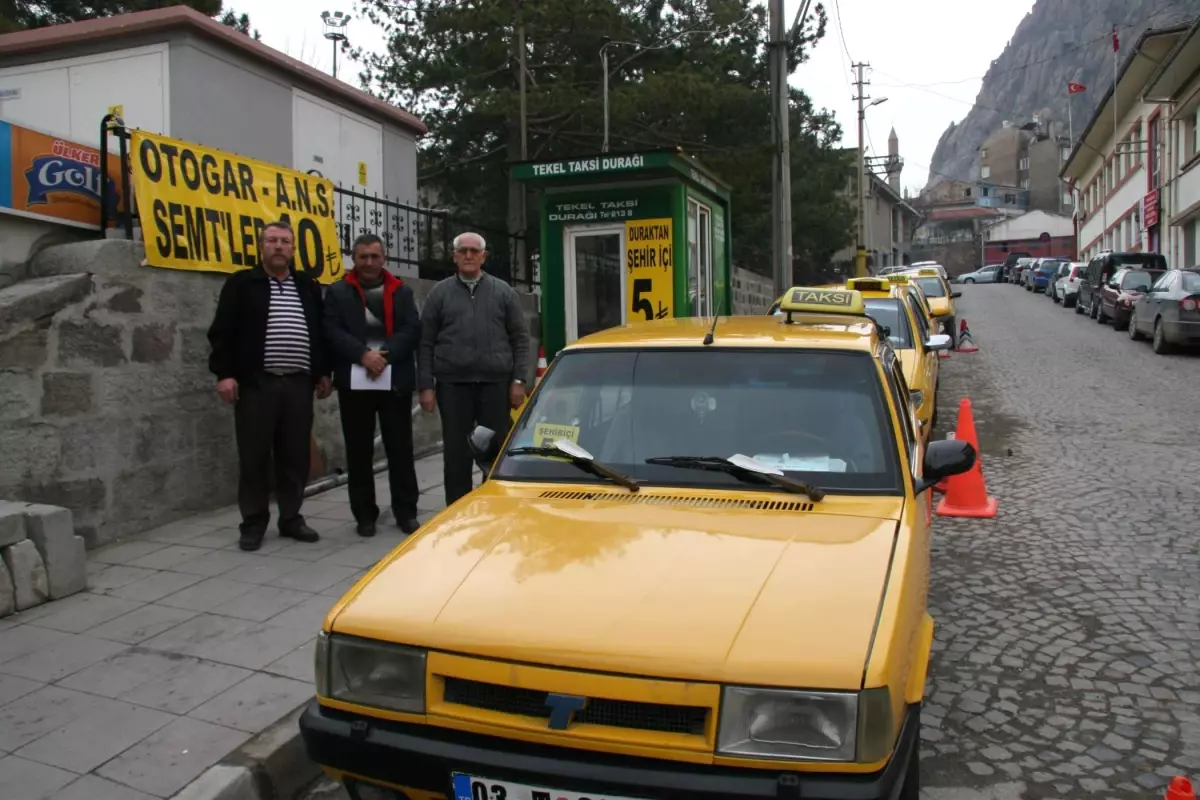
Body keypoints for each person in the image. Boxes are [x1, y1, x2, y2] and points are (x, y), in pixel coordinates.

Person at [207, 220, 332, 552]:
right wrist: (224, 374)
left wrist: (322, 371)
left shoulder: (307, 286)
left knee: (294, 455)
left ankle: (291, 518)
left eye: (285, 242)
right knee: (254, 456)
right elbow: (222, 333)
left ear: (293, 248)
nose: (279, 246)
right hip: (255, 384)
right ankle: (253, 522)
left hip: (298, 383)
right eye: (272, 241)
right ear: (261, 247)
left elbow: (318, 332)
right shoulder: (242, 284)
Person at [418, 232, 531, 506]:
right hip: (452, 386)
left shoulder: (503, 292)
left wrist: (519, 381)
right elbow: (425, 342)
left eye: (474, 251)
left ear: (484, 256)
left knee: (494, 450)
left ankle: (493, 507)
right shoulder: (439, 293)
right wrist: (426, 386)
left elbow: (520, 339)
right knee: (456, 453)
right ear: (454, 256)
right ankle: (456, 510)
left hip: (495, 385)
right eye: (463, 251)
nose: (468, 256)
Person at [324, 234, 422, 537]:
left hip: (394, 382)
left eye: (374, 256)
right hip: (355, 383)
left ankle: (406, 512)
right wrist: (362, 355)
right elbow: (331, 329)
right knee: (358, 451)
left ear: (384, 258)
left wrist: (384, 356)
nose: (369, 262)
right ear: (354, 258)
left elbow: (411, 329)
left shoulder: (402, 291)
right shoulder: (338, 292)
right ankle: (364, 515)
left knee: (400, 450)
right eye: (363, 256)